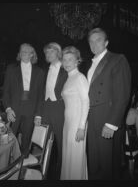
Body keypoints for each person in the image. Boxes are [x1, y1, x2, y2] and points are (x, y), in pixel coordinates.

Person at [86, 28, 132, 179]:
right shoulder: (90, 65)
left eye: (98, 40)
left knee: (107, 164)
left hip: (107, 116)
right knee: (93, 160)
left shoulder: (117, 59)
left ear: (106, 42)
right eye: (91, 41)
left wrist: (112, 123)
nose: (94, 44)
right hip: (91, 117)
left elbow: (122, 94)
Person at [2, 43, 45, 156]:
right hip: (14, 109)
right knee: (9, 138)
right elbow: (5, 91)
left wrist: (38, 115)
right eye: (22, 51)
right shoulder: (11, 69)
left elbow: (41, 95)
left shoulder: (40, 72)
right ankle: (7, 163)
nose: (23, 53)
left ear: (32, 54)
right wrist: (8, 109)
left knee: (26, 141)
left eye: (27, 51)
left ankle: (23, 164)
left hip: (31, 110)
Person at [34, 42, 68, 179]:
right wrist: (38, 114)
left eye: (51, 52)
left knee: (61, 142)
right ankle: (44, 171)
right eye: (46, 53)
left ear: (58, 53)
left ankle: (62, 172)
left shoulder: (66, 68)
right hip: (46, 108)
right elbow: (41, 94)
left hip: (60, 108)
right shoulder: (45, 70)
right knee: (45, 142)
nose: (48, 55)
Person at [60, 46, 89, 180]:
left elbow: (86, 102)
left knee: (76, 158)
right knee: (69, 156)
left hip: (77, 124)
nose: (66, 63)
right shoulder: (69, 78)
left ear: (77, 61)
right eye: (64, 59)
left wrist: (81, 127)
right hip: (68, 123)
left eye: (70, 59)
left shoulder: (79, 77)